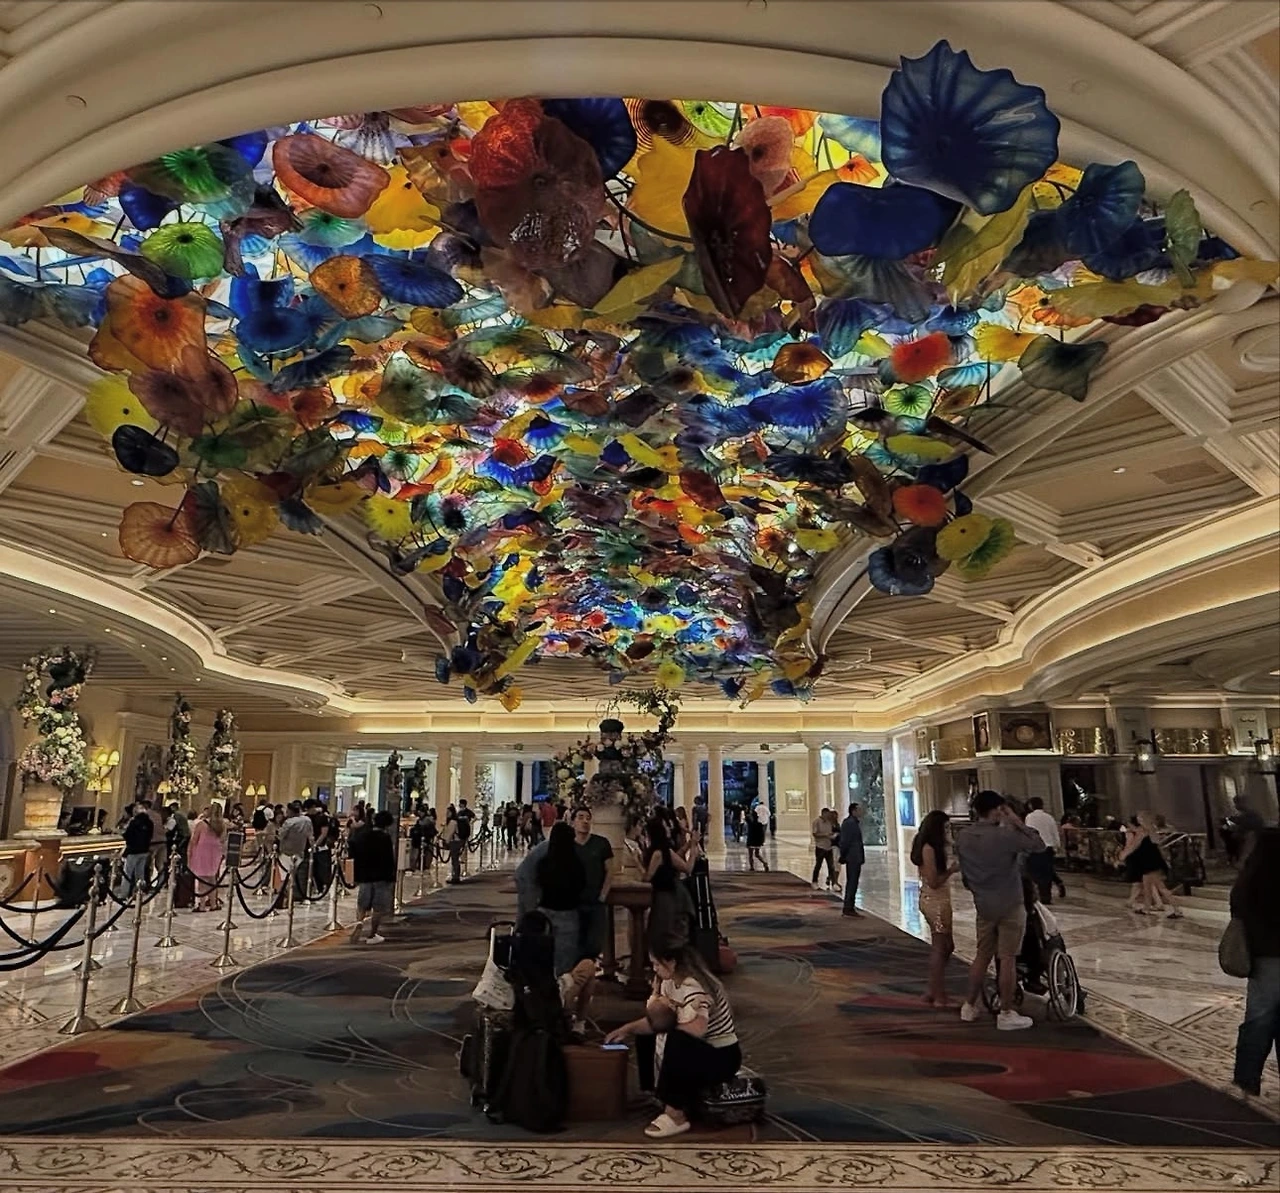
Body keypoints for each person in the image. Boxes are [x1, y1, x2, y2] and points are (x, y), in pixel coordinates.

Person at [604, 943, 742, 1139]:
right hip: (699, 1048)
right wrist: (627, 1029)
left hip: (721, 1056)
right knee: (652, 1032)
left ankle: (676, 1114)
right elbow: (658, 1022)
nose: (654, 969)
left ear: (672, 962)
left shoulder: (694, 987)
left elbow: (697, 1028)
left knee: (677, 1039)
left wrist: (667, 1034)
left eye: (656, 964)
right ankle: (656, 1093)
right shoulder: (668, 982)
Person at [955, 790, 1045, 1030]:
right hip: (1010, 903)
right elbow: (1038, 844)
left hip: (983, 904)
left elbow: (965, 875)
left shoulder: (963, 836)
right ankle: (1006, 1012)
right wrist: (1016, 821)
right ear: (997, 810)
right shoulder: (1004, 836)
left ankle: (969, 1006)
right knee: (1007, 958)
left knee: (982, 955)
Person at [1231, 827, 1280, 1099]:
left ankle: (1247, 1078)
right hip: (1271, 954)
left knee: (1259, 1018)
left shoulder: (1251, 878)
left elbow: (1237, 909)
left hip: (1264, 955)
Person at [911, 810, 958, 1006]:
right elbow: (934, 881)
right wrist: (951, 871)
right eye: (945, 828)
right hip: (934, 900)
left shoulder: (938, 847)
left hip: (940, 899)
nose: (948, 832)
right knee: (940, 947)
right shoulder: (928, 848)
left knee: (948, 946)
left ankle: (933, 988)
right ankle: (939, 995)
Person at [535, 822, 587, 976]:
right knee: (565, 960)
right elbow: (581, 885)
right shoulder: (576, 864)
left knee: (543, 956)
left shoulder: (543, 863)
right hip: (568, 912)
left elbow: (538, 884)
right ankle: (562, 987)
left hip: (545, 911)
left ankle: (544, 985)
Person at [644, 814, 697, 952]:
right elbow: (686, 867)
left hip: (668, 893)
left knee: (666, 927)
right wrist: (693, 848)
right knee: (667, 927)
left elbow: (679, 861)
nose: (669, 828)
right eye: (665, 826)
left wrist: (691, 845)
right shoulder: (660, 852)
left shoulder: (660, 851)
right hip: (667, 894)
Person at [347, 809, 397, 945]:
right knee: (378, 908)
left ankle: (359, 922)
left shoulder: (363, 835)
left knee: (362, 905)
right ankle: (372, 934)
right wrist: (391, 877)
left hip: (365, 875)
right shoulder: (385, 838)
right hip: (381, 876)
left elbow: (353, 849)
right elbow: (389, 859)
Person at [1119, 812, 1182, 918]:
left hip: (1151, 863)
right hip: (1149, 862)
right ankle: (1146, 909)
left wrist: (1123, 855)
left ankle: (1177, 910)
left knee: (1161, 888)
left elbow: (1134, 846)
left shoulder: (1142, 832)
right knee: (1147, 886)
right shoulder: (1147, 831)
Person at [571, 806, 614, 959]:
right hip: (574, 901)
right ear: (573, 822)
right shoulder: (568, 845)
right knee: (575, 941)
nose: (585, 821)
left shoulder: (601, 843)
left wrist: (603, 895)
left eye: (588, 818)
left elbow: (610, 870)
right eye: (581, 817)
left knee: (594, 942)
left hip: (595, 900)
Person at [1024, 797, 1066, 903]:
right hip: (1048, 847)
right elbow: (1054, 832)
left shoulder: (1030, 817)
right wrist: (1057, 845)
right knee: (1046, 871)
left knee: (1035, 871)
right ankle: (1046, 895)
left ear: (1031, 806)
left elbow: (1029, 832)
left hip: (1035, 848)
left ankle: (1039, 893)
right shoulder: (1049, 817)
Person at [188, 804, 227, 912]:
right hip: (215, 852)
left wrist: (189, 853)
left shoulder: (202, 824)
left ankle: (202, 905)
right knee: (212, 879)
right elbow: (223, 839)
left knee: (202, 879)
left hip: (202, 852)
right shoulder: (222, 825)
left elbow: (194, 840)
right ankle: (213, 904)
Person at [278, 800, 315, 900]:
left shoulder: (289, 822)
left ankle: (285, 895)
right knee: (296, 874)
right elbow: (310, 836)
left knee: (284, 875)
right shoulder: (307, 820)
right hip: (300, 851)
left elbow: (281, 835)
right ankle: (295, 893)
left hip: (287, 851)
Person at [117, 802, 154, 896]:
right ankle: (139, 892)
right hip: (144, 850)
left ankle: (124, 893)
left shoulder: (134, 822)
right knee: (140, 873)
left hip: (133, 850)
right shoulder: (149, 822)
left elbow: (128, 835)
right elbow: (150, 836)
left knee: (127, 873)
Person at [837, 803, 865, 917]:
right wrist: (843, 855)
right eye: (859, 810)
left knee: (854, 882)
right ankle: (848, 907)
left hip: (855, 857)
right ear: (853, 811)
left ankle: (850, 906)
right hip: (852, 857)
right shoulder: (849, 823)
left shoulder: (854, 823)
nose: (861, 811)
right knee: (852, 882)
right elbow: (845, 841)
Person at [811, 808, 837, 890]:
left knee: (831, 866)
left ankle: (834, 883)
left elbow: (831, 832)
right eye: (827, 814)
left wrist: (832, 836)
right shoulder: (816, 822)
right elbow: (815, 834)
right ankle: (814, 881)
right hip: (820, 847)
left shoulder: (829, 822)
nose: (828, 816)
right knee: (818, 865)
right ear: (823, 813)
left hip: (828, 847)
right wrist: (825, 835)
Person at [746, 800, 769, 871]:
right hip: (757, 841)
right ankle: (764, 863)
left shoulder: (750, 824)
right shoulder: (759, 824)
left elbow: (747, 818)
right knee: (757, 854)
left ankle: (752, 867)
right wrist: (762, 841)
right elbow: (762, 834)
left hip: (751, 840)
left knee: (750, 855)